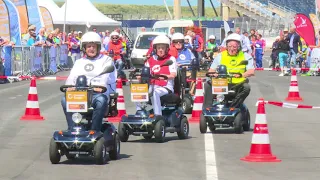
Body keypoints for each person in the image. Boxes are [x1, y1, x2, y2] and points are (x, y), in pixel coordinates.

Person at [61, 32, 117, 131]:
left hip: (97, 94)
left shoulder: (106, 60)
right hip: (80, 94)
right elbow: (72, 76)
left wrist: (99, 86)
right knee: (65, 100)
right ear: (84, 48)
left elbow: (105, 77)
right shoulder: (79, 62)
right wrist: (69, 87)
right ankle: (73, 128)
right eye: (89, 46)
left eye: (94, 46)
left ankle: (95, 130)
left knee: (101, 101)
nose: (91, 49)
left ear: (98, 47)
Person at [203, 33, 255, 108]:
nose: (232, 49)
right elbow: (211, 70)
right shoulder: (220, 56)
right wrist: (214, 74)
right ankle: (207, 108)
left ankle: (233, 107)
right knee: (208, 84)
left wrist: (241, 75)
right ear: (226, 46)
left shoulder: (245, 56)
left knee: (246, 87)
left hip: (238, 83)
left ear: (239, 46)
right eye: (229, 46)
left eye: (234, 46)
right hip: (222, 82)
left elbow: (251, 71)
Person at [136, 35, 177, 116]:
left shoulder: (171, 59)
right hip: (152, 85)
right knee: (138, 90)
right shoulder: (151, 59)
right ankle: (139, 113)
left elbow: (173, 74)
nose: (160, 50)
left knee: (156, 92)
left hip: (166, 87)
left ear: (167, 49)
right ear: (155, 49)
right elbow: (145, 73)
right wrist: (140, 77)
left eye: (162, 48)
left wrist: (164, 76)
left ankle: (158, 115)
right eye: (158, 48)